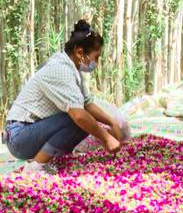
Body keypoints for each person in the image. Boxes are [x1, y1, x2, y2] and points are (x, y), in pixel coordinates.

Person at [3, 20, 123, 174]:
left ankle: (40, 161)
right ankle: (35, 167)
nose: (96, 63)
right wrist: (106, 138)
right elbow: (80, 116)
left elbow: (87, 104)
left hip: (29, 133)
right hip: (19, 136)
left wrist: (112, 122)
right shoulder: (60, 70)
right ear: (80, 52)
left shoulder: (73, 69)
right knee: (78, 119)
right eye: (96, 57)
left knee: (83, 117)